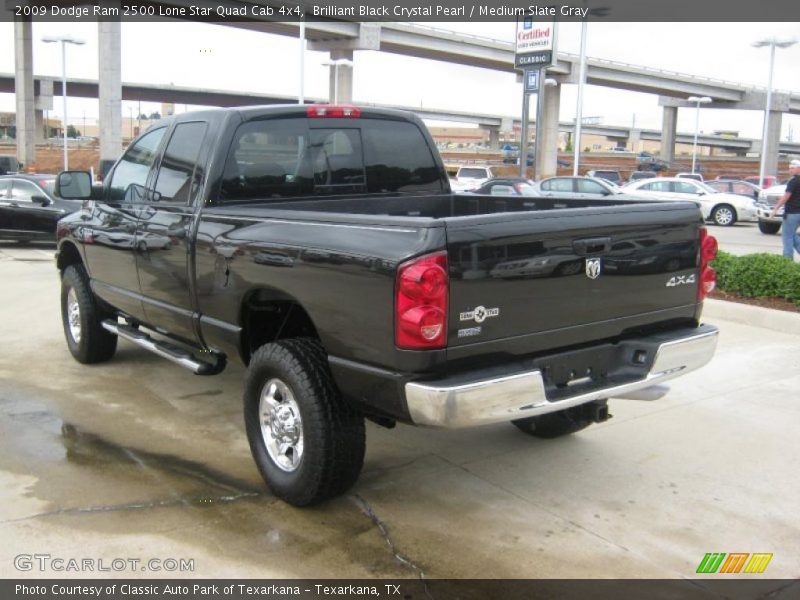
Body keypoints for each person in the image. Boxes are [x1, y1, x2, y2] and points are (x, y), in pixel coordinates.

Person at [770, 159, 800, 259]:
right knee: (792, 235)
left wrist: (775, 208)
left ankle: (787, 261)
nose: (790, 170)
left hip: (792, 212)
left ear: (798, 169)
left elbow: (787, 196)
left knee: (787, 237)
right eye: (789, 168)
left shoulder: (794, 181)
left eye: (792, 168)